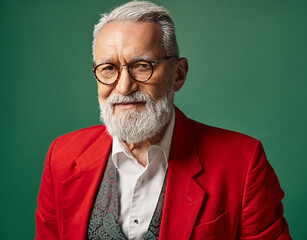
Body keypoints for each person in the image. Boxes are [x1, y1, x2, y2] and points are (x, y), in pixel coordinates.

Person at [35, 1, 292, 239]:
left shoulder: (244, 164)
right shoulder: (61, 158)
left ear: (178, 74)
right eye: (108, 68)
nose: (124, 87)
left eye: (142, 65)